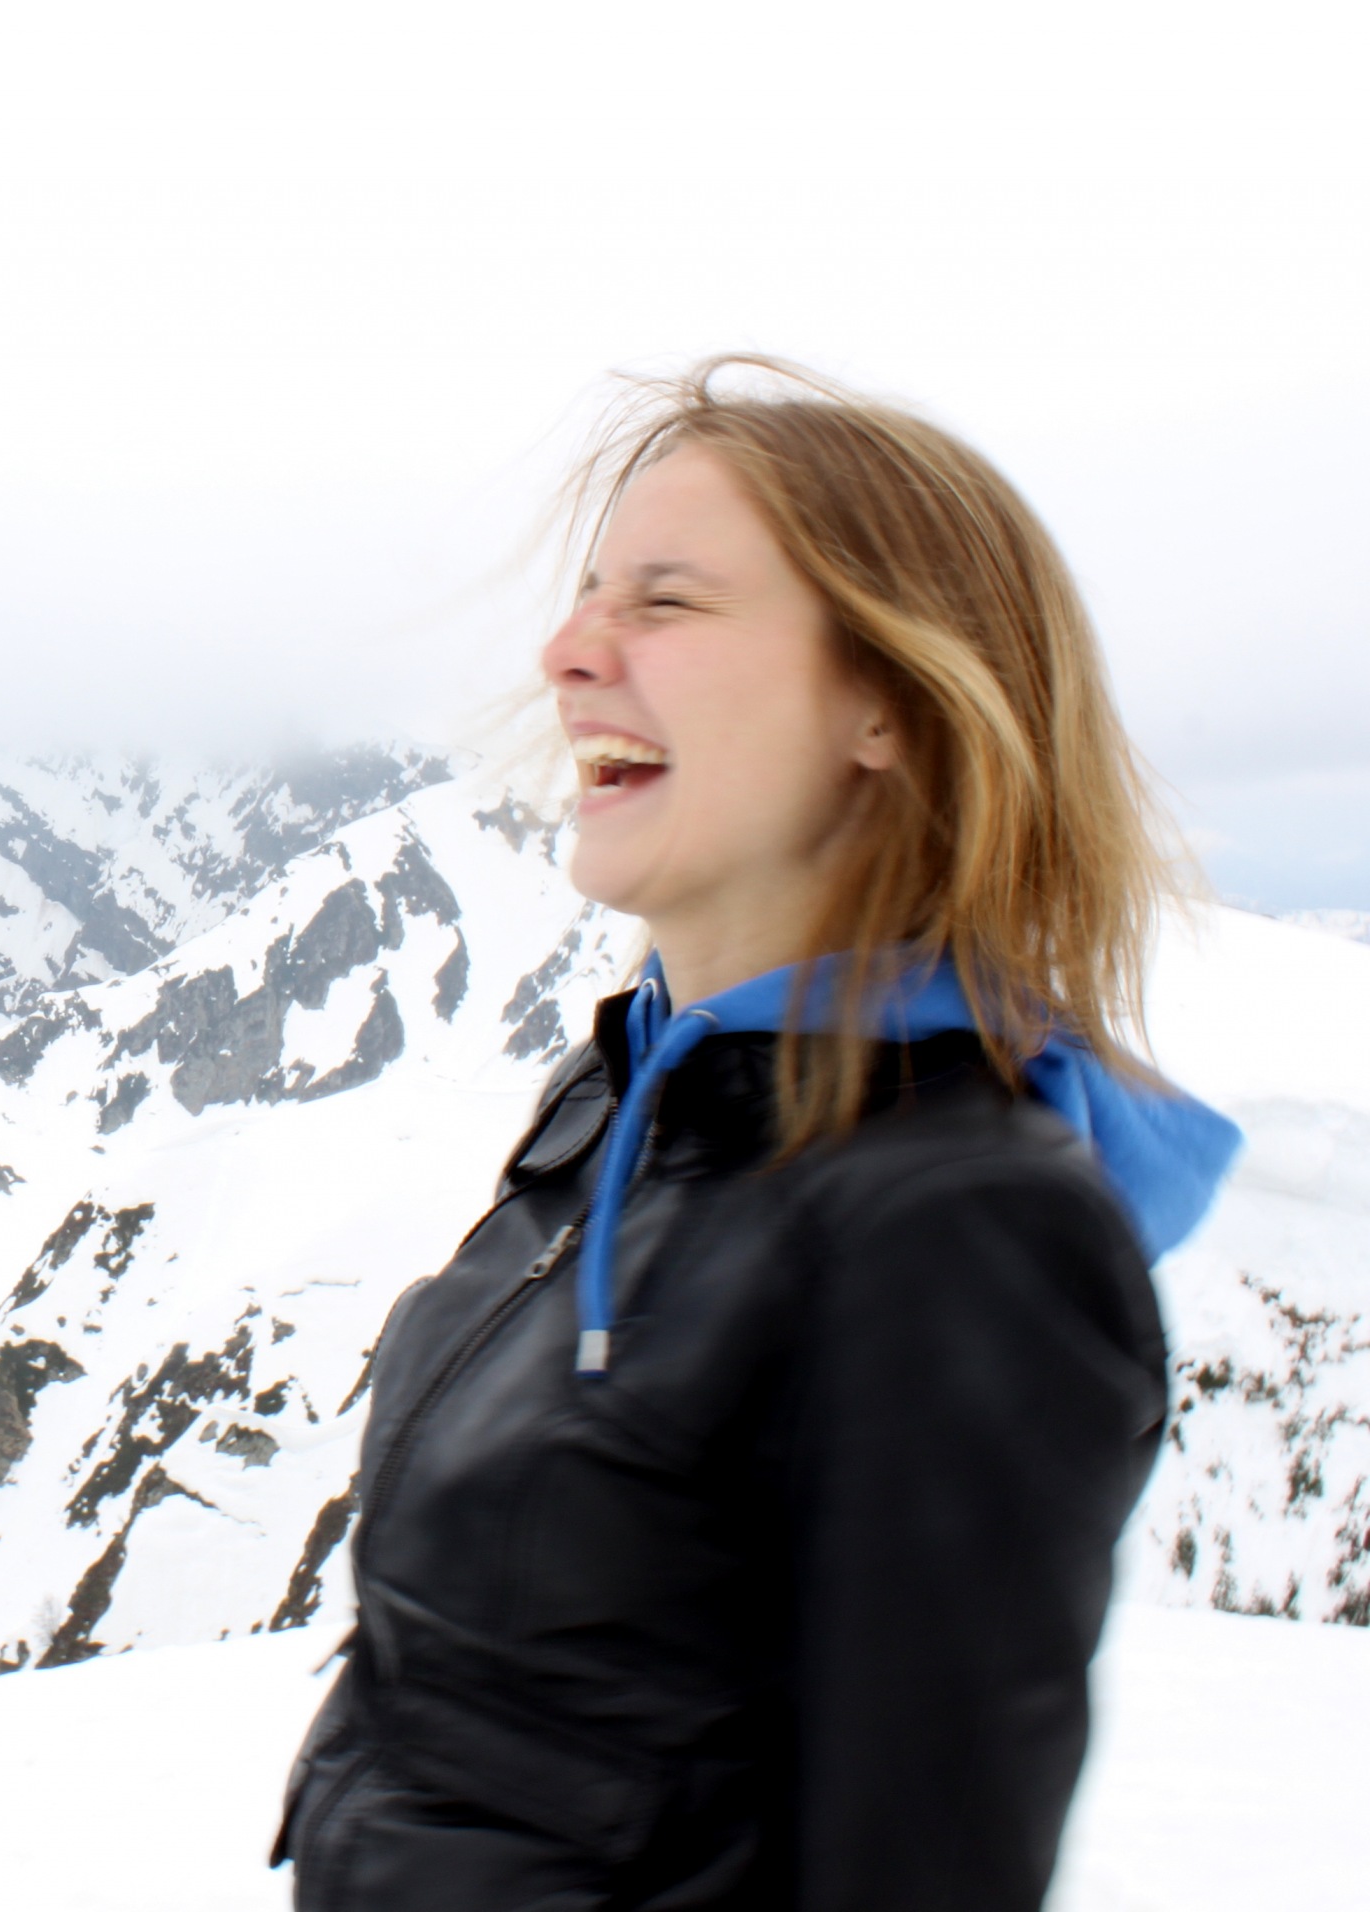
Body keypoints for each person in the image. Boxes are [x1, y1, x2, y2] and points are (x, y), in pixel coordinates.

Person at [271, 358, 1240, 1911]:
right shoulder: (626, 1104)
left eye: (666, 602)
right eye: (589, 595)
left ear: (887, 702)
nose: (570, 651)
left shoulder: (957, 1229)